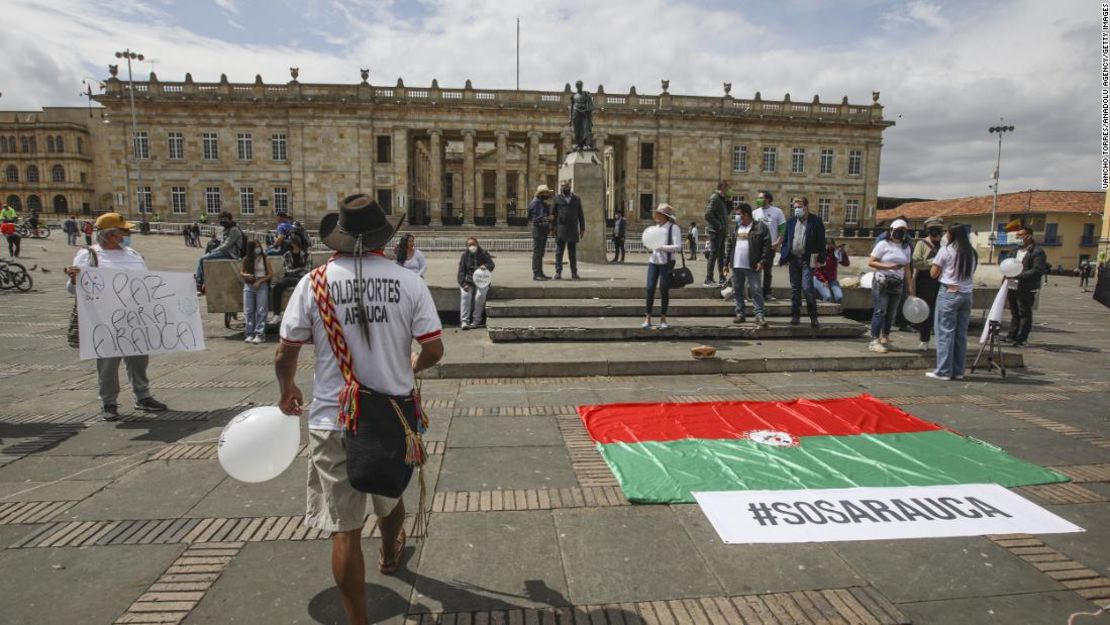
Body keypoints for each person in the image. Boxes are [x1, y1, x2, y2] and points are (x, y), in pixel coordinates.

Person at [275, 194, 443, 625]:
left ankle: (357, 622)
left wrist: (287, 388)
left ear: (341, 239)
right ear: (383, 239)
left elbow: (285, 352)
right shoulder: (409, 283)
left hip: (335, 417)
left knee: (344, 528)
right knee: (389, 494)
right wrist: (411, 365)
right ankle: (390, 552)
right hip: (393, 416)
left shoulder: (313, 282)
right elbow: (434, 349)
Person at [63, 213, 169, 420]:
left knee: (139, 359)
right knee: (108, 363)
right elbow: (73, 289)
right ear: (110, 234)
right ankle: (109, 402)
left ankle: (143, 395)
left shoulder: (133, 254)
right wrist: (74, 280)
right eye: (123, 231)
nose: (127, 234)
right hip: (105, 319)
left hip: (135, 316)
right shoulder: (88, 255)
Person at [927, 223, 978, 381]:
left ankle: (943, 370)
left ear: (952, 234)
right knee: (960, 334)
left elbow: (933, 274)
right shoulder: (973, 252)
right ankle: (958, 370)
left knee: (945, 332)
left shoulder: (946, 250)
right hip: (966, 294)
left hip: (949, 292)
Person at [778, 197, 826, 328]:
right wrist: (784, 255)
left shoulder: (815, 221)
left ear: (806, 207)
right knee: (795, 289)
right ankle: (795, 316)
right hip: (793, 259)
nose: (796, 209)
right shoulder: (791, 221)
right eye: (795, 207)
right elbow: (786, 240)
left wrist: (821, 259)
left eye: (799, 207)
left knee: (808, 288)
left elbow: (821, 241)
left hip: (807, 259)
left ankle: (813, 317)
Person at [867, 219, 914, 353]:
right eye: (897, 230)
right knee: (880, 311)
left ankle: (885, 337)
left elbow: (907, 268)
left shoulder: (906, 248)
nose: (899, 233)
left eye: (903, 231)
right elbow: (871, 262)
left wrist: (910, 286)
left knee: (891, 312)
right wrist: (889, 266)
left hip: (897, 282)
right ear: (891, 231)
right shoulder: (883, 244)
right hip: (882, 281)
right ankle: (874, 340)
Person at [725, 202, 771, 326]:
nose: (736, 217)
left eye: (738, 214)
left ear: (746, 215)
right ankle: (740, 314)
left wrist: (762, 262)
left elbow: (767, 246)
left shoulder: (760, 227)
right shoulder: (736, 227)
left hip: (752, 265)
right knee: (737, 290)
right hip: (736, 264)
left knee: (756, 290)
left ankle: (759, 315)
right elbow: (730, 245)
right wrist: (726, 263)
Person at [1005, 225, 1047, 347]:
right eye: (1017, 235)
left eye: (1020, 235)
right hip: (1012, 285)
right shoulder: (1014, 251)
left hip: (1026, 287)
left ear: (1028, 236)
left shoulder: (1037, 252)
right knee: (1014, 311)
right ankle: (1012, 335)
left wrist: (1018, 275)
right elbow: (1007, 264)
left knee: (1024, 312)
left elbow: (1037, 270)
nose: (1017, 237)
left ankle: (1021, 338)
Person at [644, 204, 682, 329]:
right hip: (653, 261)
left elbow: (678, 246)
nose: (655, 215)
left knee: (663, 289)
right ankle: (648, 318)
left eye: (658, 213)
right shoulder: (656, 227)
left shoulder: (673, 228)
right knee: (650, 288)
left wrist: (661, 247)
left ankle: (663, 318)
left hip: (666, 262)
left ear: (664, 216)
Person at [911, 216, 944, 350]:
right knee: (926, 310)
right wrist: (935, 261)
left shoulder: (945, 244)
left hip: (942, 280)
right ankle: (924, 339)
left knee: (941, 311)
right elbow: (917, 262)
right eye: (933, 230)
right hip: (925, 281)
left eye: (938, 230)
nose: (936, 233)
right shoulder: (922, 244)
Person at [194, 211, 244, 292]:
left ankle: (200, 282)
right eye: (221, 220)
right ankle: (198, 276)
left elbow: (226, 245)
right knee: (204, 258)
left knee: (202, 259)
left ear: (230, 219)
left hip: (231, 254)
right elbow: (222, 244)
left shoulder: (234, 230)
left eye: (225, 219)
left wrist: (214, 250)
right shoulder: (227, 229)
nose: (223, 222)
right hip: (226, 252)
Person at [753, 190, 786, 300]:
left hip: (770, 246)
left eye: (761, 198)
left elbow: (782, 228)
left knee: (768, 271)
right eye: (758, 198)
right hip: (757, 247)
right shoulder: (755, 213)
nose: (759, 200)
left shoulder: (777, 212)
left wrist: (778, 242)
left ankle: (767, 292)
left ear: (767, 199)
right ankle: (755, 292)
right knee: (755, 270)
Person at [457, 236, 494, 329]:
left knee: (480, 296)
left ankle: (476, 320)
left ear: (477, 244)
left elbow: (492, 265)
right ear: (467, 246)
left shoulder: (484, 253)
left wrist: (485, 266)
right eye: (469, 245)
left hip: (482, 280)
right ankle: (464, 321)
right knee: (465, 296)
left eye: (473, 244)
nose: (472, 246)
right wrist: (463, 284)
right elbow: (461, 272)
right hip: (468, 281)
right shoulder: (464, 255)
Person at [240, 240, 273, 344]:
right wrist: (246, 275)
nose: (258, 248)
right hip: (249, 285)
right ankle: (249, 333)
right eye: (256, 247)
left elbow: (270, 274)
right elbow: (241, 272)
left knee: (261, 310)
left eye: (259, 246)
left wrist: (260, 281)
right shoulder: (246, 259)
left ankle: (260, 334)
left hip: (261, 285)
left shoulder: (265, 259)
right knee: (249, 310)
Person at [552, 181, 585, 279]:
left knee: (572, 253)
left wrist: (582, 228)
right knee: (559, 252)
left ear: (570, 187)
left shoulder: (576, 199)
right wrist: (552, 228)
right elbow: (553, 215)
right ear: (560, 188)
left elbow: (580, 215)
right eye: (562, 187)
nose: (564, 188)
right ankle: (558, 272)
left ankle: (574, 272)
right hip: (561, 228)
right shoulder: (556, 199)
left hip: (572, 229)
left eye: (566, 187)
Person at [272, 237, 309, 313]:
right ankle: (276, 314)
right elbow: (287, 270)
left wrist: (296, 271)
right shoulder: (287, 255)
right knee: (277, 286)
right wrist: (300, 269)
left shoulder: (306, 255)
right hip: (289, 278)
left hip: (302, 278)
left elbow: (307, 270)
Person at [703, 181, 729, 286]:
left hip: (721, 231)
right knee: (714, 254)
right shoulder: (715, 197)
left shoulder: (721, 199)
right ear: (722, 187)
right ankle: (708, 278)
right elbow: (708, 213)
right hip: (716, 231)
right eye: (727, 188)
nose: (728, 190)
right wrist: (718, 225)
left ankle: (721, 277)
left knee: (721, 255)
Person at [814, 239, 850, 304]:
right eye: (828, 244)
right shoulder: (820, 254)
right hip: (820, 279)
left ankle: (837, 311)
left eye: (831, 244)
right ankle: (825, 311)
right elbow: (816, 270)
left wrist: (843, 253)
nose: (830, 246)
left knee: (839, 297)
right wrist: (824, 280)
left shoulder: (836, 254)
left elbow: (846, 264)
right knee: (828, 297)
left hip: (832, 280)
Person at [528, 185, 553, 280]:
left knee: (540, 253)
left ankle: (540, 272)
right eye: (545, 193)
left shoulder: (541, 203)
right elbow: (537, 219)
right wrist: (549, 218)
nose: (547, 195)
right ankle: (537, 274)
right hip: (538, 230)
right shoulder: (536, 203)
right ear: (540, 194)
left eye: (548, 193)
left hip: (542, 230)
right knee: (537, 252)